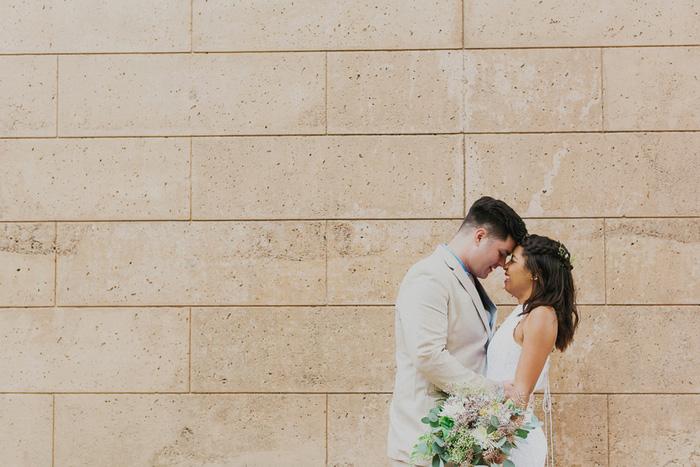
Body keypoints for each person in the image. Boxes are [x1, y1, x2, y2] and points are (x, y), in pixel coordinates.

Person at [387, 196, 527, 466]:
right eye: (501, 253)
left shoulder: (467, 279)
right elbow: (428, 355)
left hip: (457, 444)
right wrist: (493, 391)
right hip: (424, 443)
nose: (501, 264)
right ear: (479, 236)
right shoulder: (429, 275)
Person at [485, 234, 579, 466]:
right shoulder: (523, 313)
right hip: (498, 435)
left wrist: (497, 451)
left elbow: (521, 394)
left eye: (513, 260)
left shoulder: (542, 316)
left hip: (511, 447)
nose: (504, 265)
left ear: (534, 272)